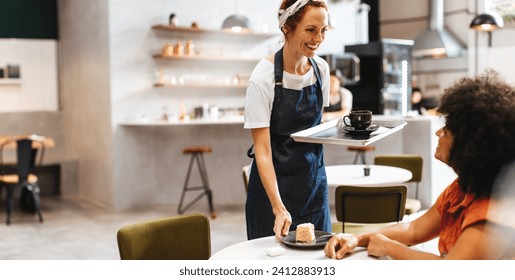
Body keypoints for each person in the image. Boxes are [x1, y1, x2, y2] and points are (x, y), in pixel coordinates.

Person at [324, 69, 515, 259]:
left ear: (469, 144)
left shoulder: (492, 215)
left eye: (447, 130)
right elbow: (413, 229)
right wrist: (357, 239)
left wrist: (390, 248)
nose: (438, 133)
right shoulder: (461, 188)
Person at [243, 0, 331, 240]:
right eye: (311, 30)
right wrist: (278, 207)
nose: (319, 38)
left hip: (314, 185)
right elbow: (262, 151)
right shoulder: (263, 78)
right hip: (273, 192)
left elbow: (316, 128)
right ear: (287, 28)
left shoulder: (321, 69)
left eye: (324, 30)